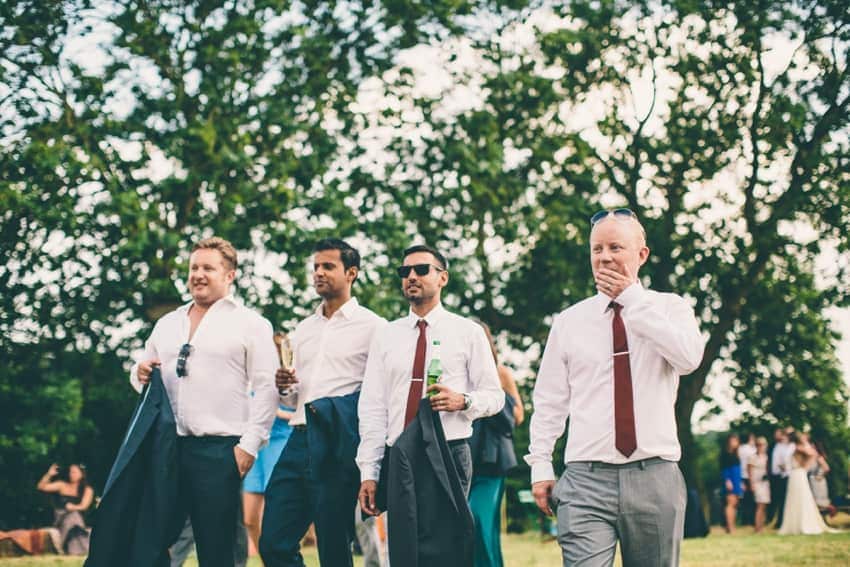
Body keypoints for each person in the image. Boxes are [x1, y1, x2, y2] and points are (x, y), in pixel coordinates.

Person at [525, 208, 705, 567]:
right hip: (584, 478)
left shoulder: (670, 308)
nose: (604, 257)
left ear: (641, 255)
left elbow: (688, 359)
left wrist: (632, 302)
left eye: (615, 247)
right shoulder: (569, 321)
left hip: (654, 475)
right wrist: (541, 466)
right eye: (597, 249)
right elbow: (549, 401)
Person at [132, 236, 279, 567]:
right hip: (166, 448)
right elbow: (142, 369)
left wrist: (249, 446)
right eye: (193, 267)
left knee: (219, 550)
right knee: (150, 540)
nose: (198, 274)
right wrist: (138, 372)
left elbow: (267, 387)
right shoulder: (167, 323)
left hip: (220, 450)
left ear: (229, 275)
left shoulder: (251, 324)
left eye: (208, 268)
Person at [356, 244, 505, 565]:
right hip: (400, 454)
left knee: (449, 549)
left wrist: (463, 400)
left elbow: (495, 396)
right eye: (404, 271)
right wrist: (369, 470)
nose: (411, 276)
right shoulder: (386, 335)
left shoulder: (468, 332)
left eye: (421, 269)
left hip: (449, 451)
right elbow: (372, 407)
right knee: (405, 549)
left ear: (443, 278)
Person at [260, 238, 387, 567]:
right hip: (298, 438)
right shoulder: (303, 329)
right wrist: (284, 386)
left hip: (338, 441)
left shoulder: (375, 328)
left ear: (351, 273)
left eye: (328, 266)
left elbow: (383, 392)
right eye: (315, 267)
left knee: (333, 547)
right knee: (274, 542)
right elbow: (293, 397)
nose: (318, 272)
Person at [468, 321, 523, 567]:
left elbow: (518, 414)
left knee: (479, 521)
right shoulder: (455, 373)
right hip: (462, 459)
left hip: (491, 462)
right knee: (467, 529)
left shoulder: (500, 372)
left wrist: (488, 402)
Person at [243, 404, 294, 554]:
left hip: (280, 441)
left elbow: (304, 411)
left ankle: (277, 559)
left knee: (274, 516)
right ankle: (268, 560)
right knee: (249, 518)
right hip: (256, 446)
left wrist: (277, 412)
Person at [778, 432, 836, 535]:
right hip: (797, 474)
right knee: (797, 498)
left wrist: (805, 465)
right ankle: (797, 524)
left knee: (801, 498)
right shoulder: (797, 448)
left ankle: (800, 523)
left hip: (798, 474)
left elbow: (813, 454)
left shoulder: (798, 448)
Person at [37, 463, 94, 554]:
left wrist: (73, 507)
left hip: (79, 517)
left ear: (82, 474)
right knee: (72, 517)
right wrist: (49, 474)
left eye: (74, 472)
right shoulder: (62, 485)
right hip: (61, 516)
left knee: (74, 516)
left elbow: (84, 506)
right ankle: (79, 549)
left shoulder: (87, 489)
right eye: (70, 472)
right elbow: (41, 487)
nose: (71, 474)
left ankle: (75, 550)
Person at [768, 428, 794, 527]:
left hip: (784, 475)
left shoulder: (789, 446)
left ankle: (781, 521)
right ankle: (775, 519)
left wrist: (784, 467)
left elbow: (787, 460)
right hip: (774, 475)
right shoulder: (775, 446)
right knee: (776, 499)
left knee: (783, 499)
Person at [747, 436, 771, 533]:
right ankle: (757, 527)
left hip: (765, 483)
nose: (761, 447)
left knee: (764, 505)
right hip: (757, 483)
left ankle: (761, 526)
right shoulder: (753, 457)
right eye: (759, 445)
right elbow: (750, 472)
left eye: (763, 445)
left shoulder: (767, 457)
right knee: (759, 505)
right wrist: (751, 484)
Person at [720, 433, 743, 534]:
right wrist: (727, 480)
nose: (735, 443)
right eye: (733, 441)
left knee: (735, 504)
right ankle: (730, 526)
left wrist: (741, 482)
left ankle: (731, 526)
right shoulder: (725, 454)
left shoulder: (736, 454)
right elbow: (723, 469)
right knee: (730, 503)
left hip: (736, 480)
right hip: (730, 480)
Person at [737, 432, 757, 525]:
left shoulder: (739, 449)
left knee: (742, 500)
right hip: (750, 476)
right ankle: (750, 520)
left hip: (740, 476)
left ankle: (743, 520)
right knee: (751, 499)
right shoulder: (752, 450)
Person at [808, 440, 832, 514]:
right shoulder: (811, 457)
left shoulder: (819, 457)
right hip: (812, 479)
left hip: (818, 481)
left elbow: (826, 468)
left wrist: (820, 476)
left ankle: (824, 517)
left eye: (813, 447)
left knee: (819, 500)